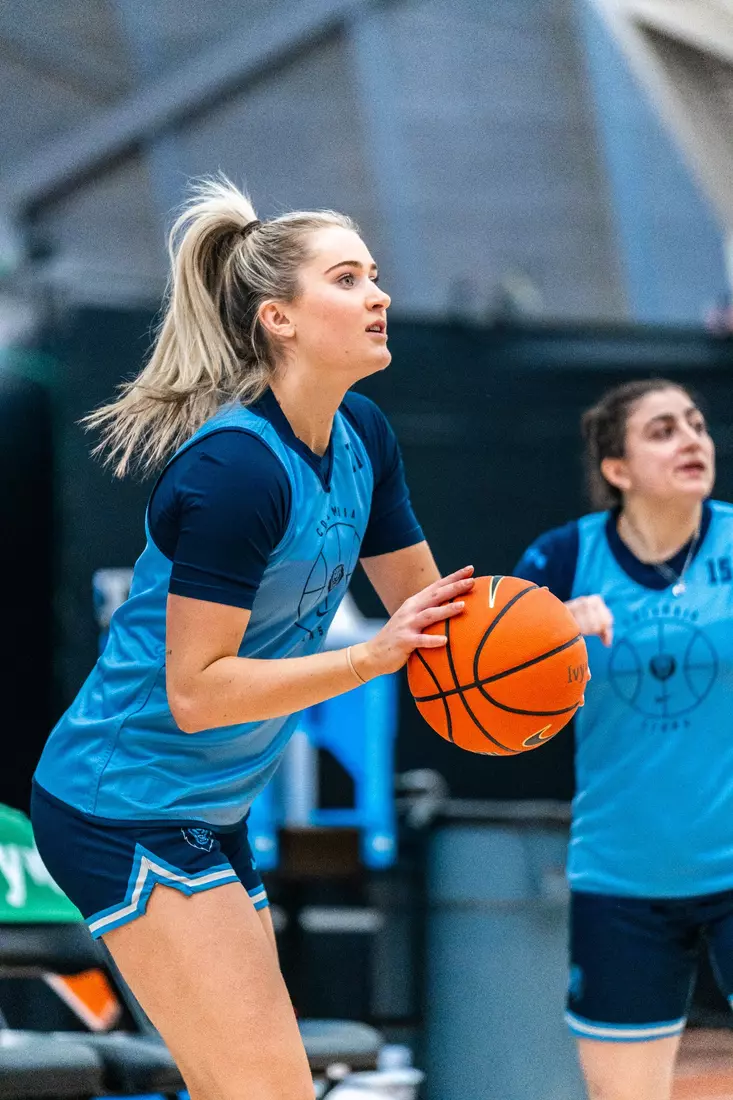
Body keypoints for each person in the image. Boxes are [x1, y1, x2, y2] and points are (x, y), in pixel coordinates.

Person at [31, 176, 474, 1100]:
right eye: (348, 279)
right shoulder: (236, 469)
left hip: (208, 807)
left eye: (375, 275)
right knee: (265, 1091)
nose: (379, 295)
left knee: (247, 1086)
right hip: (124, 805)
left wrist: (555, 636)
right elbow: (195, 693)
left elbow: (431, 614)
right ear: (278, 318)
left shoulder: (361, 433)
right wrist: (367, 658)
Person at [514, 378, 733, 1100]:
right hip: (621, 874)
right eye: (663, 430)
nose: (692, 440)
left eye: (696, 425)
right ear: (616, 469)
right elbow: (490, 683)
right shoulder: (560, 560)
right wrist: (548, 632)